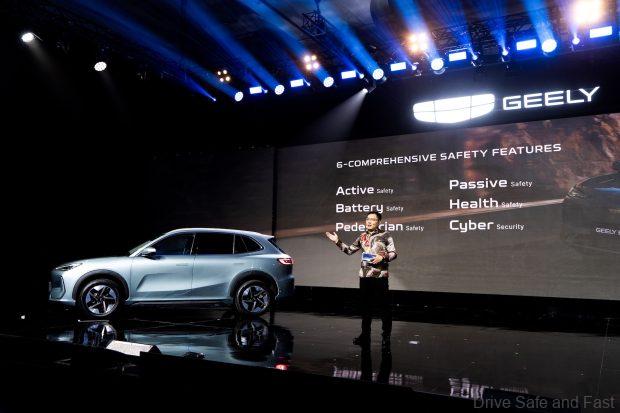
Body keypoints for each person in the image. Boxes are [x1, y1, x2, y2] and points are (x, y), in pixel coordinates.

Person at [325, 211, 396, 346]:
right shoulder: (362, 236)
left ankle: (386, 336)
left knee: (384, 308)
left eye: (373, 219)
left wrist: (382, 257)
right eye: (367, 219)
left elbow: (394, 253)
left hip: (380, 276)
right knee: (365, 308)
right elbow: (349, 250)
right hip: (365, 276)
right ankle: (365, 336)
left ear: (378, 222)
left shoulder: (385, 235)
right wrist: (337, 241)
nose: (369, 221)